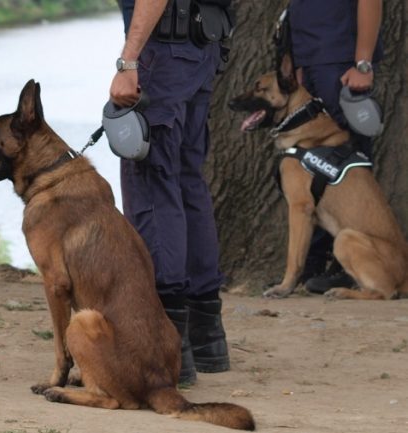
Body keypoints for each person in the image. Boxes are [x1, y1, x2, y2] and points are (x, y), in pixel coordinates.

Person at [111, 0, 231, 384]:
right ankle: (207, 336)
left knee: (152, 181)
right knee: (186, 181)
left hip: (165, 51)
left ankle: (166, 343)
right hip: (200, 49)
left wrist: (128, 62)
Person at [286, 0, 383, 294]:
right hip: (311, 59)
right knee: (313, 170)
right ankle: (314, 260)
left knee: (349, 165)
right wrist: (300, 61)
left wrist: (362, 63)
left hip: (341, 61)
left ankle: (352, 266)